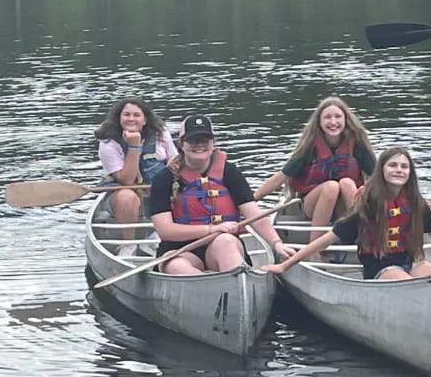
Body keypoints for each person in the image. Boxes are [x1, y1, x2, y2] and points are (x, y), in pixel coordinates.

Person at [262, 147, 431, 280]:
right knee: (407, 282)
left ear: (410, 173)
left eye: (404, 166)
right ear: (382, 170)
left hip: (411, 263)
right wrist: (285, 265)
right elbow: (327, 239)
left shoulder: (415, 203)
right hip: (380, 269)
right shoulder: (368, 206)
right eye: (393, 165)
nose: (398, 170)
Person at [149, 114, 295, 275]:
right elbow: (165, 230)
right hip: (180, 250)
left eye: (205, 140)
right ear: (181, 144)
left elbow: (254, 214)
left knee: (226, 241)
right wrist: (210, 229)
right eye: (193, 140)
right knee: (177, 267)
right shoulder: (164, 179)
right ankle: (207, 284)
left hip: (221, 245)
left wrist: (276, 243)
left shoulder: (229, 172)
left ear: (213, 143)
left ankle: (232, 281)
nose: (199, 145)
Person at [253, 96, 376, 243]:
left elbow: (378, 178)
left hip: (345, 206)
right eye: (327, 117)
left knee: (347, 183)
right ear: (319, 121)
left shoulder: (357, 144)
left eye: (338, 117)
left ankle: (362, 238)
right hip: (313, 204)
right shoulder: (310, 147)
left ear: (345, 120)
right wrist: (250, 201)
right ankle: (315, 246)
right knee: (331, 187)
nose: (333, 122)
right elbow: (281, 178)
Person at [95, 96, 176, 255]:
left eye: (136, 115)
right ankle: (128, 244)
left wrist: (173, 169)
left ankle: (159, 234)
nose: (131, 119)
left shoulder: (161, 135)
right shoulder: (108, 143)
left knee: (179, 189)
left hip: (155, 190)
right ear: (119, 118)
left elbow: (172, 158)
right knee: (126, 196)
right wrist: (134, 147)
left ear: (145, 120)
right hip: (125, 195)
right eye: (126, 114)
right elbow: (127, 180)